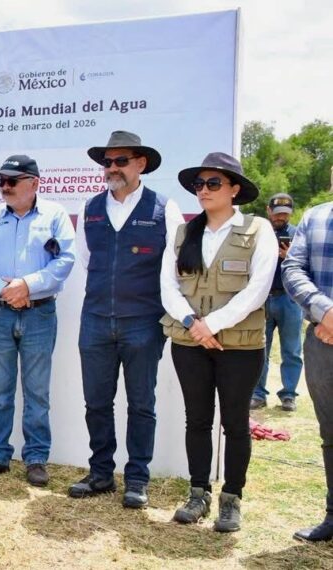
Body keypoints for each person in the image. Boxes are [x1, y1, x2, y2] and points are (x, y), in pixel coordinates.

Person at [160, 152, 275, 533]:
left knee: (235, 423)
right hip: (190, 342)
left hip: (239, 347)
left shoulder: (258, 230)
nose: (204, 191)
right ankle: (198, 493)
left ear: (234, 190)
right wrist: (194, 323)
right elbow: (169, 287)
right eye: (199, 184)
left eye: (213, 184)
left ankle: (232, 498)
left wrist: (213, 323)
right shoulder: (184, 234)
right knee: (197, 420)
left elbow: (257, 290)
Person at [69, 131, 182, 508]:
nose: (112, 168)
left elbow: (175, 267)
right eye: (107, 162)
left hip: (143, 322)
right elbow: (87, 260)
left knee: (141, 403)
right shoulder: (91, 207)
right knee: (96, 402)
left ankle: (137, 479)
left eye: (121, 161)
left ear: (141, 164)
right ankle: (101, 472)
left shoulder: (163, 208)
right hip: (97, 319)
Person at [0, 154, 75, 487]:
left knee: (37, 391)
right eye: (1, 182)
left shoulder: (55, 215)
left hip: (39, 313)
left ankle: (36, 458)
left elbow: (65, 261)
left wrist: (27, 285)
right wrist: (6, 290)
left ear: (34, 184)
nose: (5, 188)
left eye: (12, 181)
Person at [282, 197, 333, 542]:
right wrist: (325, 311)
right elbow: (292, 269)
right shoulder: (314, 217)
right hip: (323, 340)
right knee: (331, 431)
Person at [252, 192, 303, 411]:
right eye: (277, 213)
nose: (281, 218)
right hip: (262, 299)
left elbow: (307, 268)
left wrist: (289, 257)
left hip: (289, 300)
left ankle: (289, 395)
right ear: (268, 210)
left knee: (291, 350)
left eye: (285, 214)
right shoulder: (258, 233)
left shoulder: (299, 235)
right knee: (259, 349)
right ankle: (258, 394)